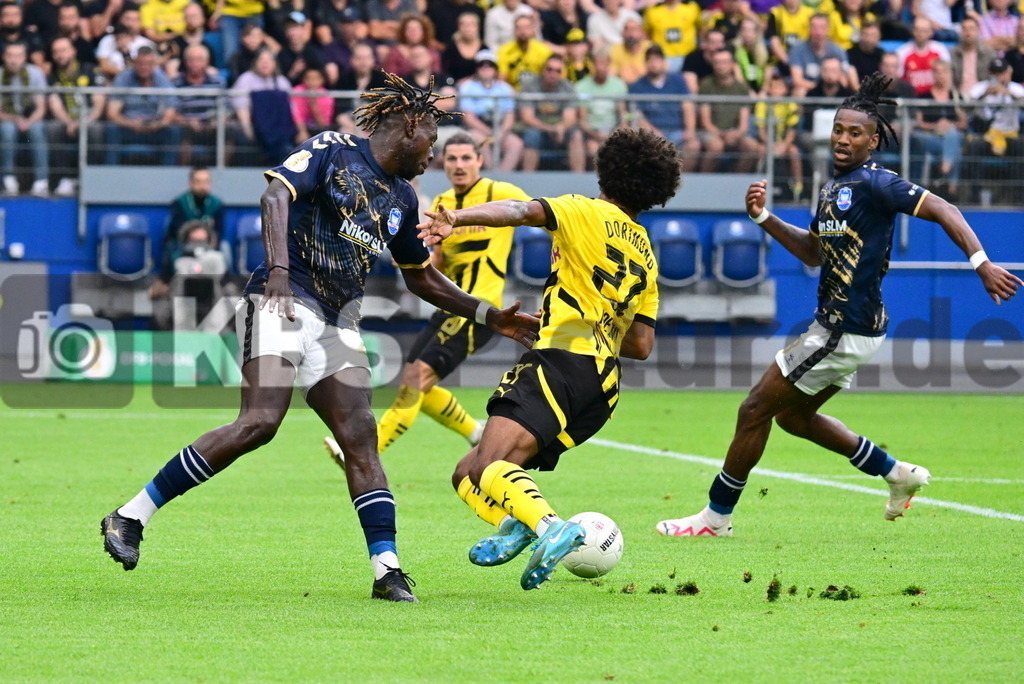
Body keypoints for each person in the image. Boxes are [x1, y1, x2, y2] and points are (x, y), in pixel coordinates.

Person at [101, 73, 540, 604]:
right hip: (282, 297)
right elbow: (274, 197)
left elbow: (420, 276)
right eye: (430, 142)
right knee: (259, 423)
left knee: (361, 435)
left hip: (338, 319)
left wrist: (492, 316)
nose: (433, 155)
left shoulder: (402, 196)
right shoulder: (333, 150)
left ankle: (388, 571)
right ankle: (130, 516)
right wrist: (280, 270)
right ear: (406, 127)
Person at [656, 73, 1022, 538]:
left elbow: (945, 209)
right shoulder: (833, 190)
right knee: (792, 417)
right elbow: (813, 251)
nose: (843, 139)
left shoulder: (877, 184)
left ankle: (715, 518)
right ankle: (896, 474)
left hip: (841, 329)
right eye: (838, 129)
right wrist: (764, 218)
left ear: (873, 141)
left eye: (855, 133)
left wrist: (982, 263)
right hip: (843, 327)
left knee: (753, 410)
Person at [416, 127, 682, 590]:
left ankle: (551, 526)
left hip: (561, 363)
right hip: (603, 387)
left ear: (607, 170)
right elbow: (640, 345)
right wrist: (585, 320)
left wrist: (455, 218)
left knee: (488, 467)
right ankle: (520, 522)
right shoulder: (646, 252)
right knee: (466, 472)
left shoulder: (583, 210)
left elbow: (520, 211)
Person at [344, 132, 532, 458]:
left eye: (466, 158)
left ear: (479, 160)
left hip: (481, 308)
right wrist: (414, 252)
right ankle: (474, 432)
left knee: (417, 378)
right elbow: (438, 263)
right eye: (453, 159)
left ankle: (362, 453)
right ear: (443, 163)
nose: (459, 165)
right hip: (450, 305)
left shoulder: (499, 192)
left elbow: (538, 214)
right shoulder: (444, 201)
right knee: (415, 382)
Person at [47, 35, 105, 196]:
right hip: (67, 121)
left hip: (89, 119)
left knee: (95, 129)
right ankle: (64, 178)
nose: (60, 55)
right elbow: (54, 103)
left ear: (73, 51)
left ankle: (90, 178)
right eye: (56, 52)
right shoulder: (53, 76)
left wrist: (83, 122)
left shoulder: (90, 70)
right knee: (53, 128)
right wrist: (69, 122)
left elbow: (99, 104)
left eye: (64, 50)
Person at [518, 54, 585, 171]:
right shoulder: (530, 86)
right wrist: (551, 129)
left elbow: (570, 117)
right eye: (549, 69)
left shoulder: (567, 87)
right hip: (537, 128)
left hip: (561, 130)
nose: (553, 74)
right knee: (531, 136)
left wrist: (561, 127)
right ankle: (527, 180)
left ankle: (578, 180)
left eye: (557, 71)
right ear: (543, 70)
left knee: (576, 135)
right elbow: (527, 117)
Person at [0, 41, 49, 196]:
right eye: (10, 56)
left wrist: (28, 121)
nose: (14, 60)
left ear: (25, 58)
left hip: (31, 118)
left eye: (18, 56)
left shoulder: (35, 74)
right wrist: (15, 119)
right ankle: (8, 178)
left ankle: (41, 180)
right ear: (4, 57)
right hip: (8, 119)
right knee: (6, 130)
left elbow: (41, 107)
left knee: (37, 129)